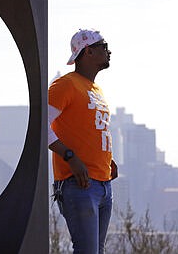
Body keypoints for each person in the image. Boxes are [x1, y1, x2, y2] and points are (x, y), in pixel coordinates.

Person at [48, 28, 118, 254]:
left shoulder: (95, 89)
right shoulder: (65, 85)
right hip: (78, 183)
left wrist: (109, 159)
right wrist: (70, 157)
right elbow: (41, 127)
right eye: (103, 46)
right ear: (88, 51)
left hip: (103, 183)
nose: (109, 52)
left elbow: (90, 130)